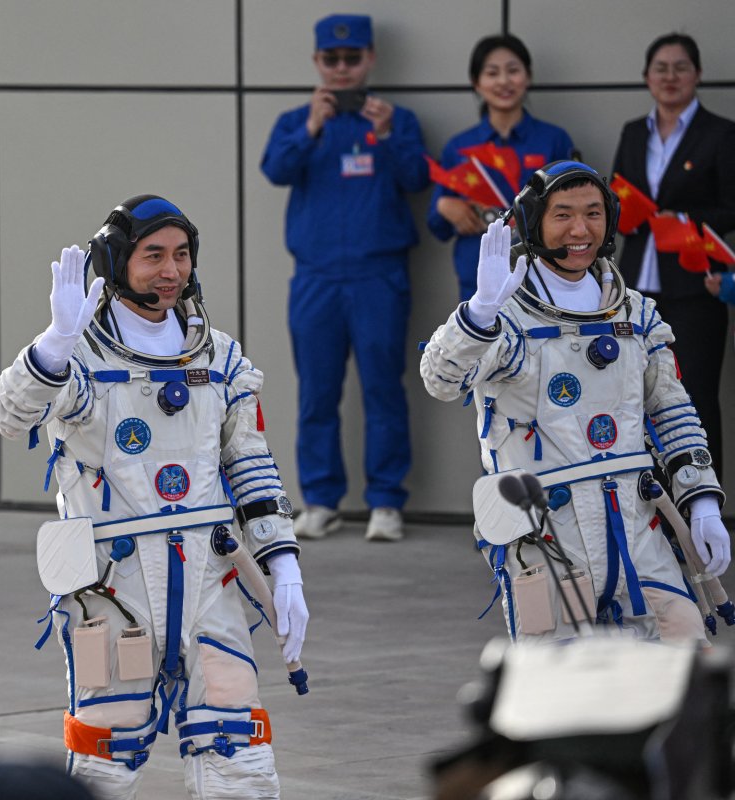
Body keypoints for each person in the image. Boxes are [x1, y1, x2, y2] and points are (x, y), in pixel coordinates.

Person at [0, 196, 307, 799]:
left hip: (211, 582)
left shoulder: (219, 357)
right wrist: (55, 342)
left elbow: (251, 464)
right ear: (115, 261)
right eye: (153, 255)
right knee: (108, 758)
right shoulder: (81, 356)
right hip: (115, 590)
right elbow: (9, 415)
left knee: (237, 754)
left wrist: (283, 566)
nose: (171, 270)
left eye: (181, 255)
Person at [420, 161, 730, 643]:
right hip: (546, 532)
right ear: (532, 222)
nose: (580, 230)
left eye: (593, 213)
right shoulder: (506, 314)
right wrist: (480, 311)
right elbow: (441, 379)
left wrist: (703, 498)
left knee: (685, 662)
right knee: (562, 689)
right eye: (562, 215)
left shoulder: (636, 313)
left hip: (635, 526)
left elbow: (670, 408)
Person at [260, 13, 430, 542]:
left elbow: (420, 177)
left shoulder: (395, 120)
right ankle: (321, 499)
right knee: (316, 392)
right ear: (316, 63)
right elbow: (275, 170)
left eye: (351, 58)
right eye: (330, 59)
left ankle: (385, 501)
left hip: (379, 276)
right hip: (316, 278)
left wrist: (386, 136)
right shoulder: (298, 119)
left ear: (370, 59)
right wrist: (311, 127)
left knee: (383, 389)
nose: (341, 68)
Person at [611, 33, 735, 481]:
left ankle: (704, 513)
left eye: (680, 67)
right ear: (647, 77)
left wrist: (682, 218)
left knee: (695, 397)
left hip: (695, 286)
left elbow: (731, 207)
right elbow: (614, 199)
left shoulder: (721, 133)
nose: (670, 77)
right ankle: (651, 512)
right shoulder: (632, 132)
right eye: (660, 68)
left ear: (697, 74)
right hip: (634, 287)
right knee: (633, 398)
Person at [429, 34, 575, 301]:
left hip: (543, 275)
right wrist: (445, 207)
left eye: (513, 70)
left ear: (527, 77)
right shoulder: (459, 147)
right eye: (492, 73)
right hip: (477, 277)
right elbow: (436, 225)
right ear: (476, 83)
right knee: (482, 341)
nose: (504, 81)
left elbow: (575, 210)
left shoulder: (554, 140)